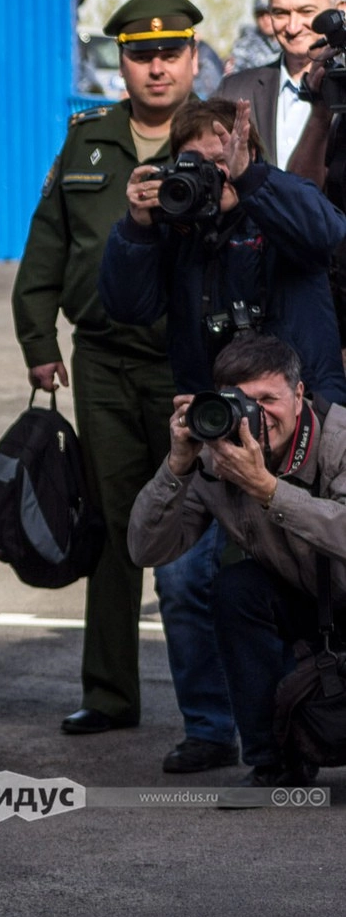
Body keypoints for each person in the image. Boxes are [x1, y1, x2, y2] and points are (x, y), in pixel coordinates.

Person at [12, 0, 237, 761]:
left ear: (194, 57)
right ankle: (109, 693)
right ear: (123, 63)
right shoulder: (89, 141)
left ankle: (221, 706)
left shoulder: (215, 138)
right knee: (116, 521)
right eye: (141, 55)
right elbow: (47, 244)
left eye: (171, 53)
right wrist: (37, 337)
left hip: (193, 362)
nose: (157, 67)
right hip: (104, 359)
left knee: (210, 524)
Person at [130, 334, 346, 787]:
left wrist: (268, 489)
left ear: (299, 394)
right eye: (242, 402)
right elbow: (146, 549)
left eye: (269, 399)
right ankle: (274, 763)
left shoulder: (339, 440)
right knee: (237, 589)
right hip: (309, 600)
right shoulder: (216, 458)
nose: (255, 415)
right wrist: (176, 466)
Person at [101, 96, 346, 404]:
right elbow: (128, 309)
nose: (214, 174)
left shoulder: (281, 200)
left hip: (299, 405)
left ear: (250, 153)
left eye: (221, 160)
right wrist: (137, 229)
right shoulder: (178, 225)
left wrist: (249, 181)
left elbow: (327, 235)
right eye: (198, 163)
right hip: (212, 407)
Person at [218, 0, 345, 169]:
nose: (293, 27)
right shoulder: (234, 91)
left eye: (306, 11)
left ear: (340, 10)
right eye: (280, 13)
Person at [228, 0, 280, 74]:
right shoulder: (244, 46)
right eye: (260, 14)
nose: (265, 19)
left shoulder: (291, 43)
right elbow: (233, 77)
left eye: (269, 13)